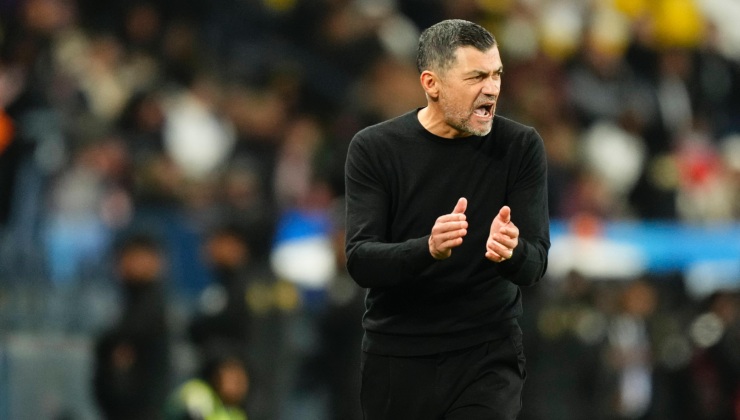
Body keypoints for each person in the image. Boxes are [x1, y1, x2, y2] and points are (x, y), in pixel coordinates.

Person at [344, 19, 550, 420]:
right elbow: (361, 260)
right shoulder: (374, 148)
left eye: (496, 74)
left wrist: (511, 252)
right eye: (476, 77)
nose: (491, 88)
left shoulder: (520, 147)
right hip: (398, 357)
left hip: (486, 355)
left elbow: (535, 263)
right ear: (431, 84)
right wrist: (428, 249)